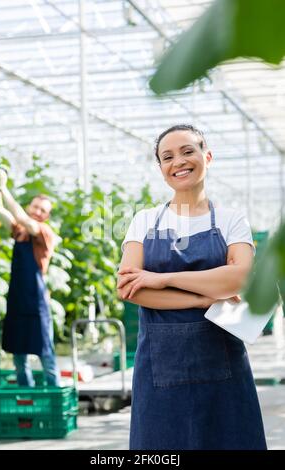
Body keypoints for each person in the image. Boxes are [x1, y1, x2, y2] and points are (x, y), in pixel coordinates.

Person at [117, 124, 267, 450]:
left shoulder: (230, 219)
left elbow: (241, 278)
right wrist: (204, 297)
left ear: (207, 157)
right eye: (167, 157)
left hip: (223, 364)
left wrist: (163, 279)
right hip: (159, 371)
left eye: (188, 151)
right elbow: (130, 288)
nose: (178, 162)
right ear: (160, 169)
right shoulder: (145, 220)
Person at [0, 168, 60, 387]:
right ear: (29, 206)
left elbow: (22, 218)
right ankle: (26, 400)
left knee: (46, 353)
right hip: (17, 299)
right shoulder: (20, 231)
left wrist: (4, 187)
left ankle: (54, 399)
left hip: (36, 302)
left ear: (47, 216)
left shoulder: (42, 231)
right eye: (35, 207)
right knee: (18, 354)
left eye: (43, 210)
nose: (38, 212)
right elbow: (2, 213)